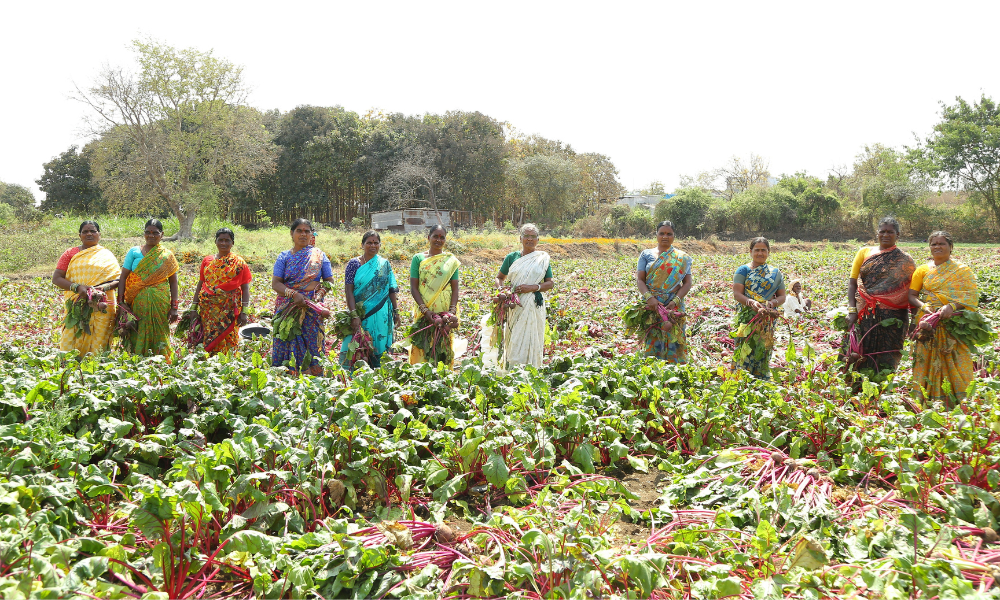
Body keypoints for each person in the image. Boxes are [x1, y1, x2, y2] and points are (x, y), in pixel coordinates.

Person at [908, 231, 979, 403]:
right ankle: (924, 398)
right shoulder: (922, 270)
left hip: (954, 322)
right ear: (929, 247)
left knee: (955, 356)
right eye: (934, 244)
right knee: (925, 357)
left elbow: (971, 296)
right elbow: (911, 295)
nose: (937, 246)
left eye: (942, 243)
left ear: (950, 247)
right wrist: (924, 307)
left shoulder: (962, 271)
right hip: (928, 321)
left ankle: (960, 398)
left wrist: (952, 306)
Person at [844, 216, 916, 377]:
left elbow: (912, 291)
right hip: (864, 312)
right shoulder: (864, 252)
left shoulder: (906, 260)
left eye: (890, 232)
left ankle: (881, 390)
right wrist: (851, 309)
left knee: (887, 357)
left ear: (898, 235)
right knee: (856, 354)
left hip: (893, 317)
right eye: (882, 231)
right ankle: (854, 391)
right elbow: (852, 283)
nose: (885, 235)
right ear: (877, 233)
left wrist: (915, 320)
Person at [271, 219, 335, 375]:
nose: (303, 234)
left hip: (312, 308)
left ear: (312, 234)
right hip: (288, 306)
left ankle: (313, 378)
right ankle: (286, 376)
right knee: (285, 339)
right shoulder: (283, 257)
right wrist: (293, 294)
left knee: (312, 343)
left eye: (307, 231)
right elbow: (276, 283)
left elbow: (329, 281)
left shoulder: (320, 256)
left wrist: (318, 298)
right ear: (292, 233)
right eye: (299, 230)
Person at [52, 220, 120, 355]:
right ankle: (70, 365)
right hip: (77, 303)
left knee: (99, 341)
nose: (89, 234)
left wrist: (101, 289)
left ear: (99, 234)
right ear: (80, 235)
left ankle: (96, 367)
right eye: (85, 231)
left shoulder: (107, 255)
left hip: (102, 303)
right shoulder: (70, 253)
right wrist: (77, 288)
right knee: (71, 336)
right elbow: (57, 278)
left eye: (93, 231)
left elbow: (118, 279)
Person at [493, 223, 554, 368]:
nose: (529, 239)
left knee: (533, 336)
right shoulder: (512, 257)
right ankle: (513, 369)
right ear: (520, 238)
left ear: (538, 240)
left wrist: (533, 287)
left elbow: (550, 283)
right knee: (515, 336)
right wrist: (502, 291)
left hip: (534, 304)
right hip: (515, 304)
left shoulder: (542, 259)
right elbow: (499, 277)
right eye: (526, 236)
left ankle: (532, 369)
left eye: (533, 236)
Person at [118, 219, 180, 359]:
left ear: (162, 234)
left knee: (160, 329)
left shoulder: (167, 255)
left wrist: (174, 307)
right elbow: (123, 277)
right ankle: (136, 359)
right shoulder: (134, 252)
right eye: (148, 232)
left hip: (160, 301)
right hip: (136, 301)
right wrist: (121, 302)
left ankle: (161, 360)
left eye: (155, 233)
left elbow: (173, 282)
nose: (151, 236)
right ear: (144, 233)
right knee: (137, 328)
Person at [340, 230, 401, 369]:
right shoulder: (354, 264)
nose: (372, 246)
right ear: (362, 245)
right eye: (369, 243)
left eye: (376, 243)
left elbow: (391, 289)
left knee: (379, 346)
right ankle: (353, 375)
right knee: (358, 345)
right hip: (361, 313)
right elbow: (349, 291)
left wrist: (396, 312)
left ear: (380, 245)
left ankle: (379, 373)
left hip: (382, 313)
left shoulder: (384, 264)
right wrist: (354, 314)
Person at [635, 220, 693, 363]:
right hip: (652, 304)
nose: (665, 237)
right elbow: (640, 280)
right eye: (662, 233)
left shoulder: (682, 258)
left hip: (674, 304)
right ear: (656, 235)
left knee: (675, 337)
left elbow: (687, 283)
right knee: (652, 336)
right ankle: (652, 369)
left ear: (674, 236)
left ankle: (676, 369)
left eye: (669, 234)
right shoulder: (646, 254)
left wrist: (675, 301)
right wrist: (649, 298)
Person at [190, 228, 253, 354]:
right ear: (216, 242)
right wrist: (193, 307)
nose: (223, 243)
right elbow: (201, 284)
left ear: (232, 243)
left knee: (228, 337)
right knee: (209, 335)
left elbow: (245, 288)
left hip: (229, 309)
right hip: (208, 310)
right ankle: (209, 361)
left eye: (227, 240)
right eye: (221, 240)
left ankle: (227, 362)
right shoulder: (207, 261)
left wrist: (244, 312)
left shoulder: (239, 263)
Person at [732, 237, 786, 379]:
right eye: (757, 250)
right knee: (744, 346)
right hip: (746, 316)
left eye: (763, 250)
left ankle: (760, 378)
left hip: (766, 317)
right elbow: (737, 294)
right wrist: (751, 303)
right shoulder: (743, 270)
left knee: (763, 348)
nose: (760, 253)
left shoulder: (775, 273)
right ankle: (742, 377)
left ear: (769, 252)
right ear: (751, 251)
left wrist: (771, 304)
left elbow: (782, 297)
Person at [409, 224, 461, 366]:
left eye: (442, 237)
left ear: (445, 240)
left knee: (443, 342)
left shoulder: (450, 261)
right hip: (424, 307)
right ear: (428, 238)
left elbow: (455, 288)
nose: (438, 240)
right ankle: (420, 375)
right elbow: (414, 287)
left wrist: (451, 312)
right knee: (422, 341)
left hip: (443, 308)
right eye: (435, 236)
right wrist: (425, 310)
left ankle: (442, 376)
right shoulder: (418, 258)